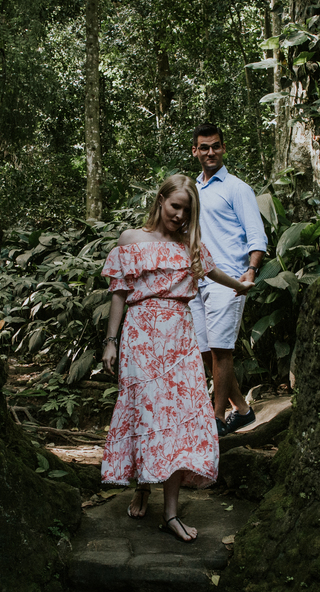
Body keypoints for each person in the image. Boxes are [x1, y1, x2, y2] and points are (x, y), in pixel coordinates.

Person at [100, 174, 254, 542]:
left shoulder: (190, 246)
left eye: (187, 210)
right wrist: (110, 341)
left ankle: (170, 513)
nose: (181, 215)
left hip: (180, 337)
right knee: (145, 411)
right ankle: (142, 485)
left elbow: (213, 273)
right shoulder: (131, 240)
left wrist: (239, 284)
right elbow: (119, 294)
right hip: (140, 335)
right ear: (160, 201)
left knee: (179, 420)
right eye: (175, 206)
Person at [189, 123, 267, 436]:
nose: (211, 152)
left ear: (223, 148)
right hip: (197, 280)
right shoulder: (192, 189)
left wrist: (251, 269)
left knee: (221, 349)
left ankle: (217, 419)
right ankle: (243, 410)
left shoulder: (237, 188)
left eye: (216, 146)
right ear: (194, 151)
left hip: (229, 279)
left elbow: (256, 234)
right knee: (205, 350)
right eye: (204, 147)